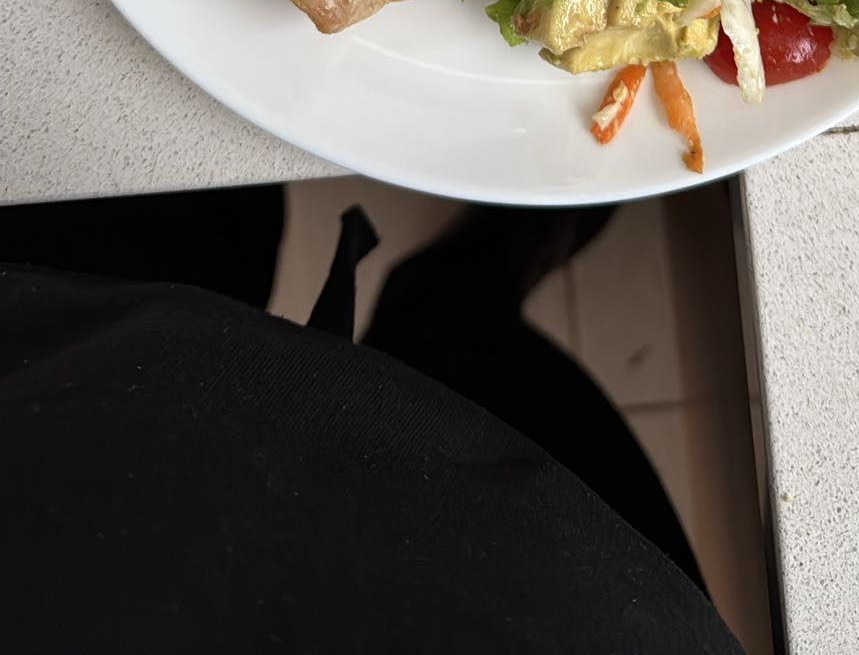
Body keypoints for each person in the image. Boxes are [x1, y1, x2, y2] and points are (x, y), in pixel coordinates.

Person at [0, 185, 747, 653]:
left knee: (166, 184)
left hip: (70, 442)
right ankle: (466, 288)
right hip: (547, 599)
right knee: (483, 362)